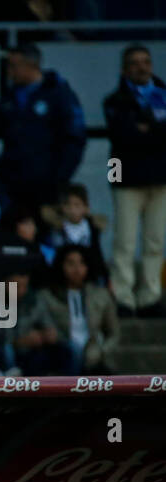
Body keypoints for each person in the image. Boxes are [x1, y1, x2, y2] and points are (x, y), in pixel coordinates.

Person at [0, 43, 85, 213]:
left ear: (31, 66)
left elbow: (75, 139)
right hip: (11, 181)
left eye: (14, 66)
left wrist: (59, 178)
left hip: (45, 183)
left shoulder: (59, 95)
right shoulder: (11, 96)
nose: (9, 71)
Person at [104, 45, 166, 318]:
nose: (142, 68)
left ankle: (150, 296)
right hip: (125, 179)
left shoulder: (162, 95)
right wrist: (152, 130)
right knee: (124, 242)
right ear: (125, 69)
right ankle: (123, 297)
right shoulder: (114, 100)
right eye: (135, 63)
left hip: (161, 178)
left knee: (155, 241)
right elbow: (123, 136)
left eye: (146, 62)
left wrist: (146, 129)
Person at [27, 244, 119, 374]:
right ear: (61, 265)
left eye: (82, 263)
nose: (77, 269)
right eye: (70, 263)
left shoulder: (101, 296)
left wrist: (101, 351)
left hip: (94, 357)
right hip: (60, 355)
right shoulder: (46, 296)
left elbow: (113, 334)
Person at [40, 183, 108, 285]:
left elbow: (97, 255)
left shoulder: (92, 229)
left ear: (86, 208)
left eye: (77, 205)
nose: (72, 210)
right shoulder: (58, 227)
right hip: (61, 275)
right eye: (68, 205)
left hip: (88, 275)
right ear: (62, 207)